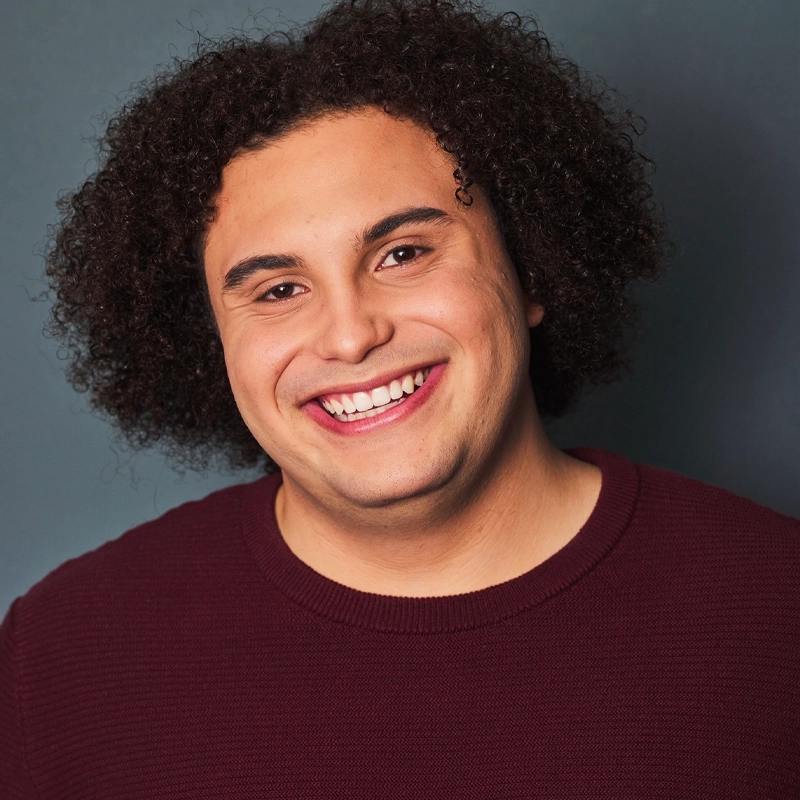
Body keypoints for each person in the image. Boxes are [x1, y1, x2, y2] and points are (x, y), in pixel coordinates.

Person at [2, 0, 798, 796]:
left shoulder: (777, 609)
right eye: (278, 290)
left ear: (533, 270)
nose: (350, 337)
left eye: (404, 253)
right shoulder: (60, 657)